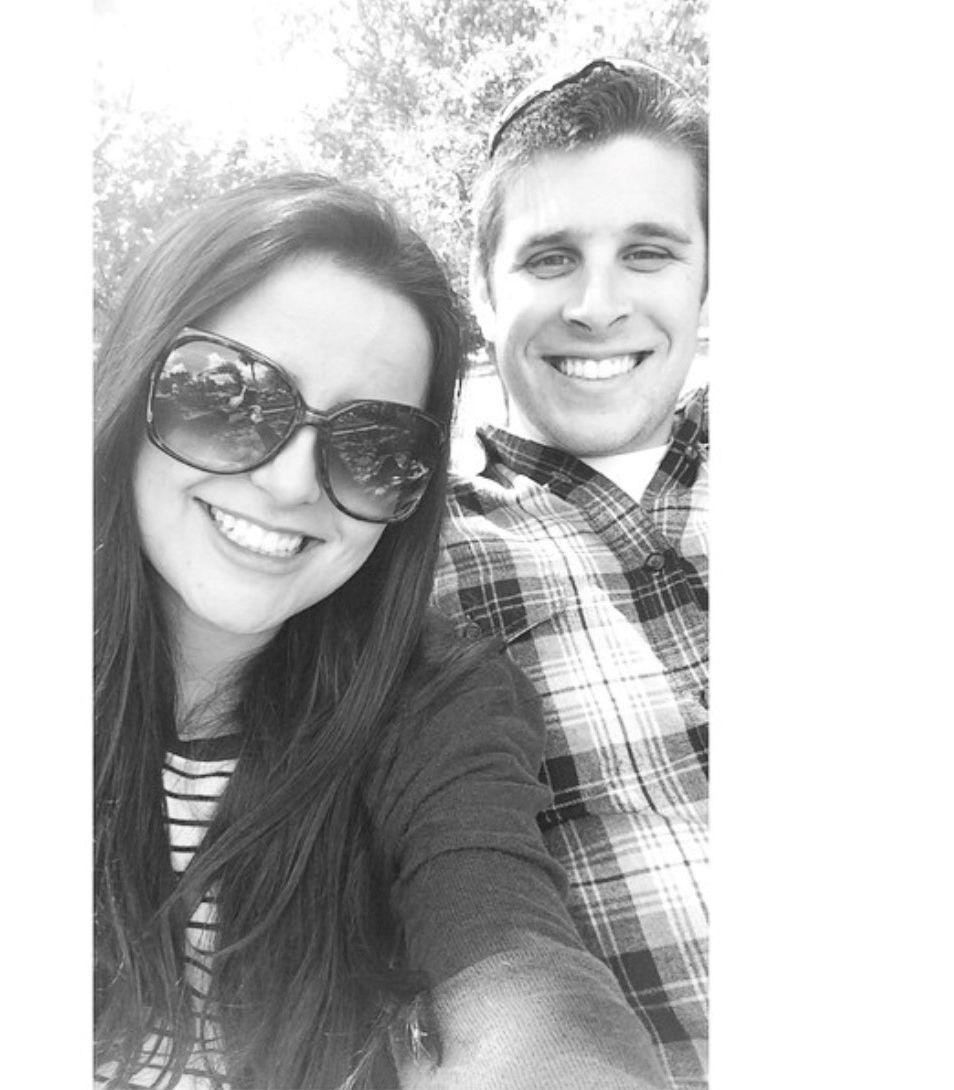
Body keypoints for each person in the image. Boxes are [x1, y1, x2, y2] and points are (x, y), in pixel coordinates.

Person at [93, 174, 670, 1090]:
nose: (290, 483)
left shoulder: (438, 703)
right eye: (227, 397)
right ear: (132, 385)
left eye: (374, 447)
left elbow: (505, 935)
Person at [432, 60, 709, 1090]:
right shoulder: (410, 550)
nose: (598, 306)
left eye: (648, 252)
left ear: (706, 278)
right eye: (551, 259)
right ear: (482, 290)